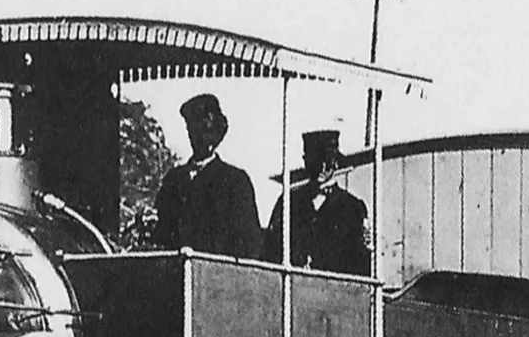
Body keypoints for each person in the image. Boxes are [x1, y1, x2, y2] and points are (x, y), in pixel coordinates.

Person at [151, 93, 262, 259]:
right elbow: (161, 234)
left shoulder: (235, 182)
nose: (199, 137)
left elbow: (249, 245)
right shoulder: (174, 180)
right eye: (193, 129)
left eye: (206, 130)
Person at [264, 128, 372, 274]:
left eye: (327, 160)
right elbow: (269, 255)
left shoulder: (353, 208)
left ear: (335, 162)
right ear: (305, 161)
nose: (321, 167)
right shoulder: (288, 204)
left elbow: (361, 267)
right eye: (315, 161)